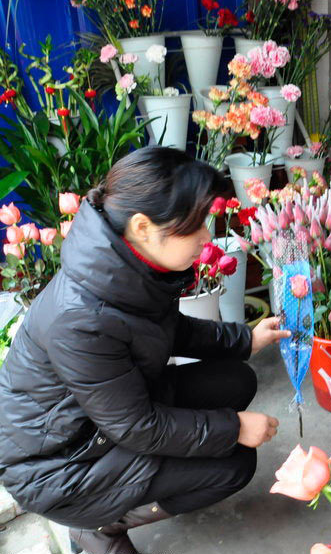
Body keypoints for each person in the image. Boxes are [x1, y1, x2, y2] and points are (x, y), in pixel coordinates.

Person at [0, 147, 289, 554]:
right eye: (194, 225)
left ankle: (141, 490)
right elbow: (137, 427)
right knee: (234, 462)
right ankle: (99, 525)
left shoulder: (124, 267)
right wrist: (234, 428)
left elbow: (171, 329)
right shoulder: (82, 319)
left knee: (236, 380)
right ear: (142, 226)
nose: (206, 237)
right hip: (61, 465)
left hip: (102, 420)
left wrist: (245, 340)